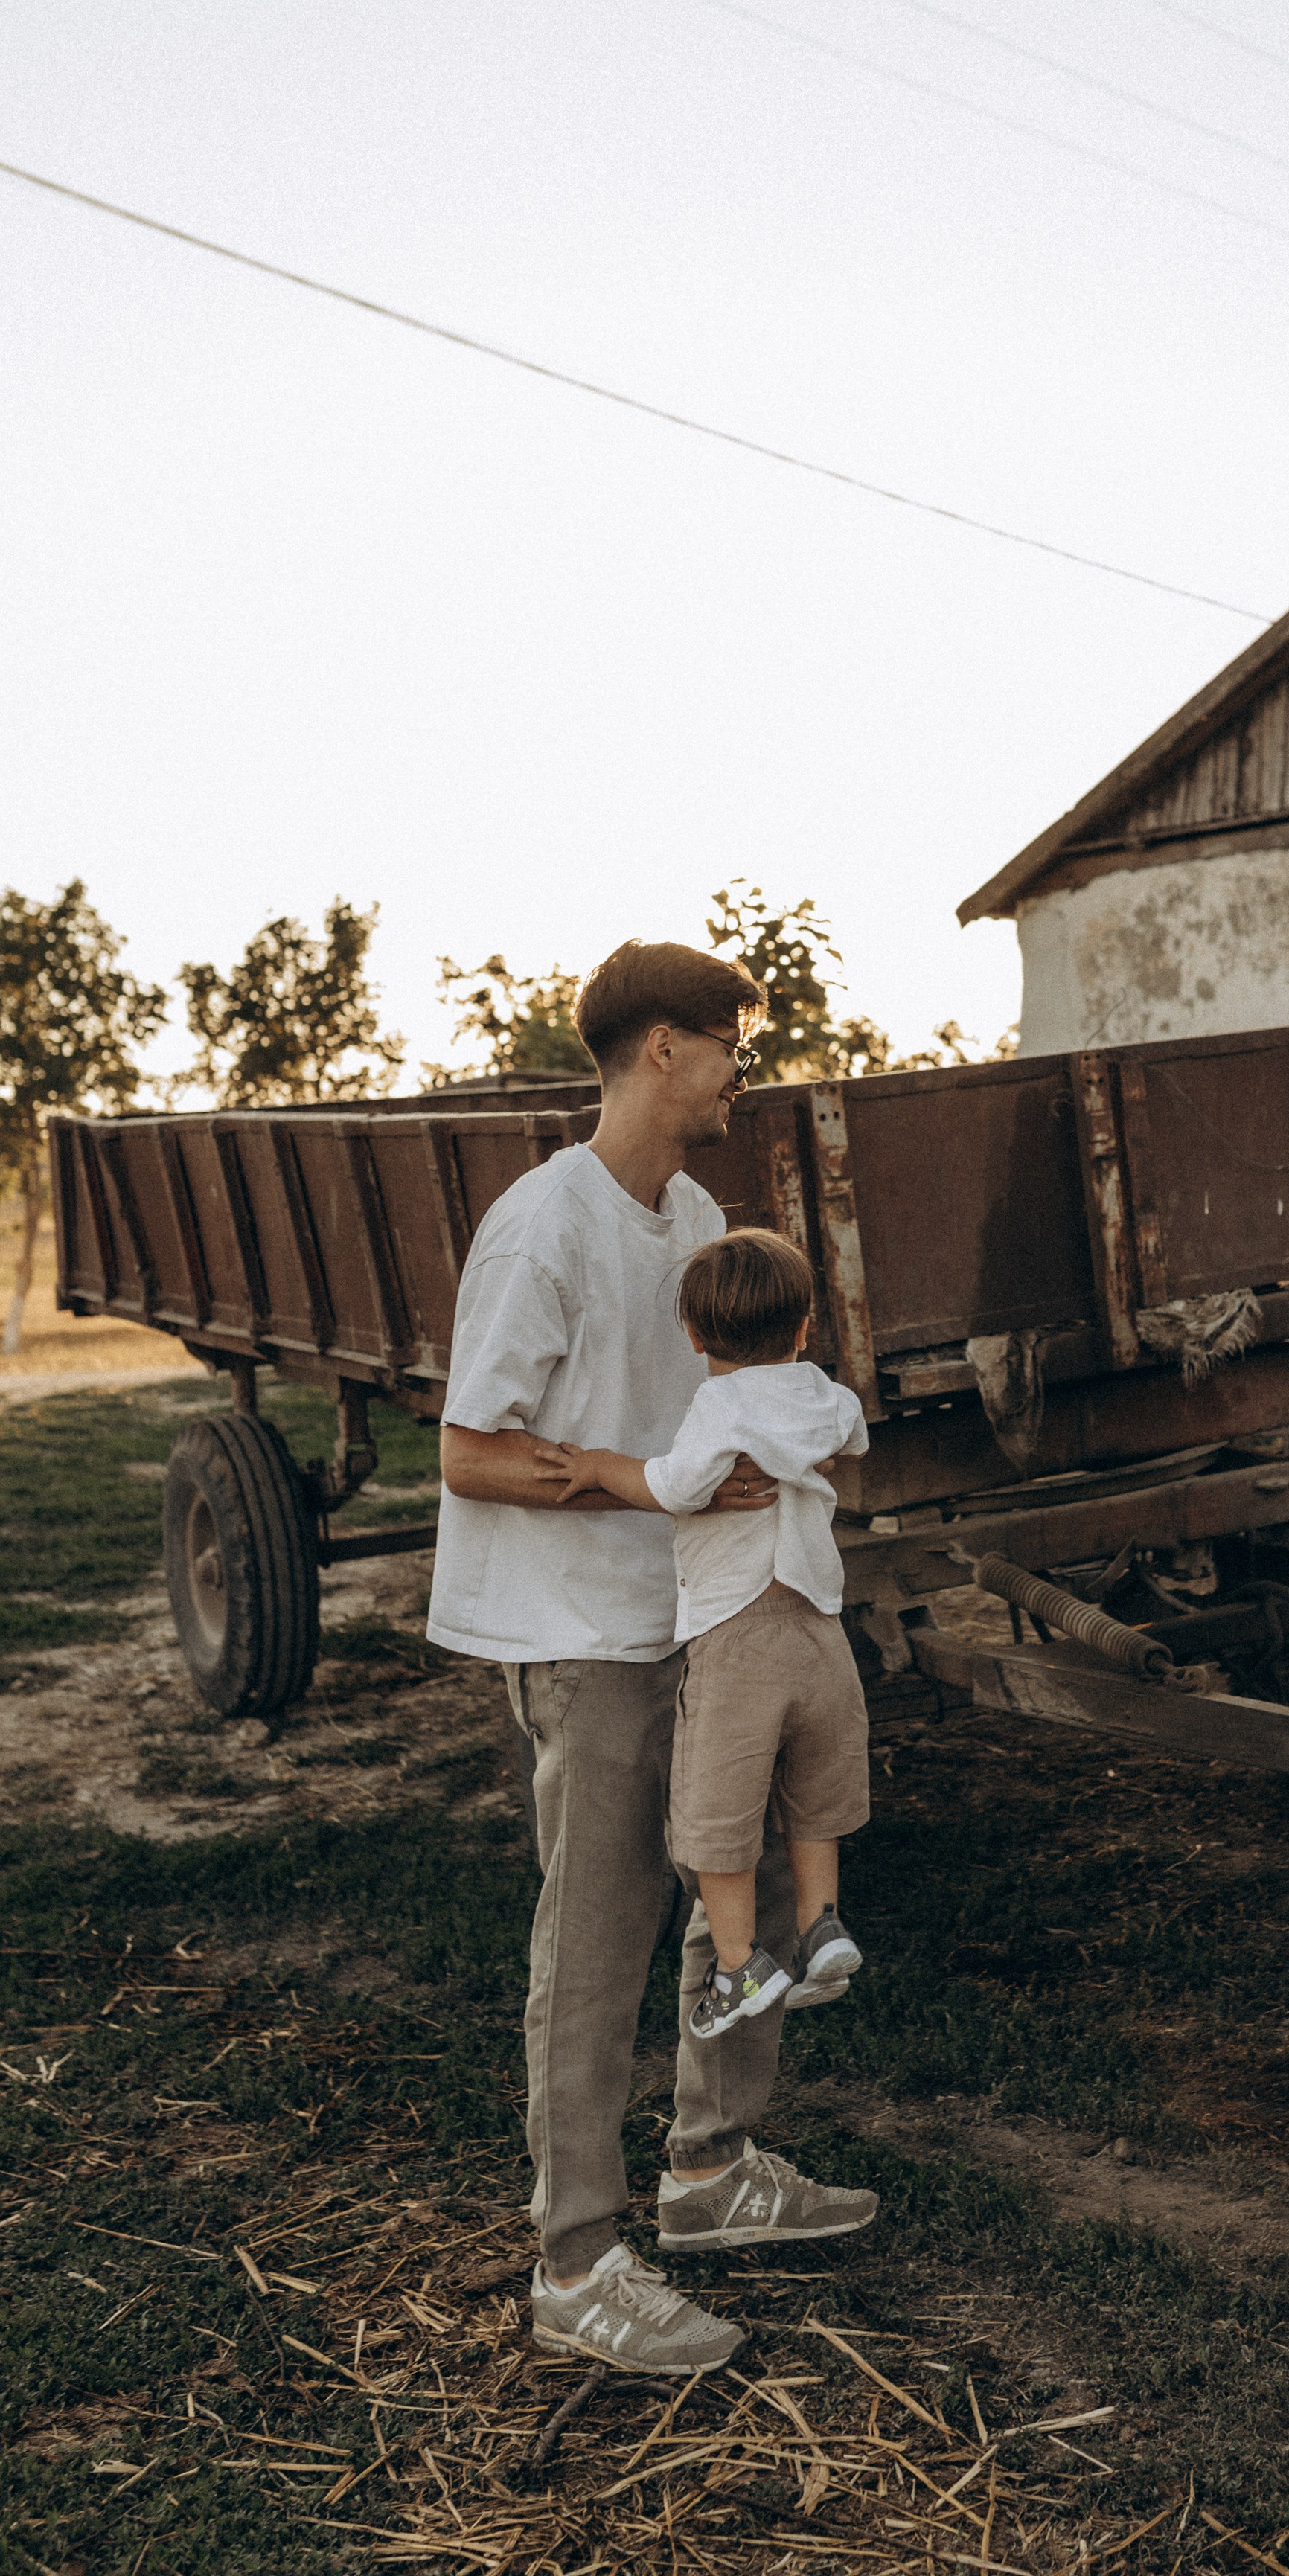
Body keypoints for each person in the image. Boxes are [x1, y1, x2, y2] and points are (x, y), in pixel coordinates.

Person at [427, 941, 877, 2378]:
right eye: (731, 1042)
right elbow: (466, 1451)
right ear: (663, 1051)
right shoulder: (542, 1225)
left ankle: (710, 2169)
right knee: (602, 1929)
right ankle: (574, 2261)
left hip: (704, 1617)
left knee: (722, 1888)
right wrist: (646, 1485)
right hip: (581, 1631)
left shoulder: (691, 1211)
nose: (747, 1068)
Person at [531, 1226, 871, 2062]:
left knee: (718, 1811)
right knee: (812, 1790)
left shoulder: (717, 1407)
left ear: (693, 1338)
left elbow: (678, 1487)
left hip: (737, 1634)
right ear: (803, 1331)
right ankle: (822, 1926)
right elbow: (851, 1437)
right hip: (822, 1634)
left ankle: (737, 1965)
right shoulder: (824, 1393)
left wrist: (602, 1466)